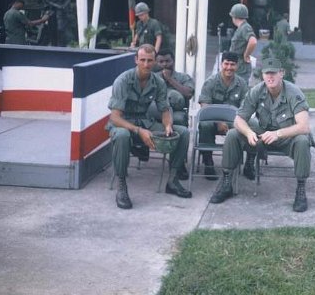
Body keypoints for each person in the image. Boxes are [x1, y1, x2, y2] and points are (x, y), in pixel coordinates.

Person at [210, 58, 312, 212]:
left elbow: (304, 126)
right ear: (262, 76)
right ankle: (226, 183)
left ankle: (301, 190)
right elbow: (239, 120)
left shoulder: (293, 93)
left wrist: (278, 134)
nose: (270, 77)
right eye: (266, 74)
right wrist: (249, 132)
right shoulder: (257, 91)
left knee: (303, 141)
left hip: (287, 137)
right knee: (233, 134)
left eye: (274, 73)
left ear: (282, 74)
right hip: (263, 135)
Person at [107, 44, 192, 210]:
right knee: (123, 135)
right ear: (136, 60)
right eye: (143, 60)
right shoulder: (123, 81)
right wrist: (139, 131)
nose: (146, 64)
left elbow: (165, 109)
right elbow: (114, 117)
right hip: (123, 123)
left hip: (146, 122)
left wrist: (168, 125)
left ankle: (173, 180)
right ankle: (122, 186)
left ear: (155, 62)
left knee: (181, 132)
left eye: (150, 61)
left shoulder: (158, 82)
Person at [197, 51, 249, 180]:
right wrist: (218, 121)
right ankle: (208, 161)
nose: (229, 68)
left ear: (237, 66)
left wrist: (238, 121)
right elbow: (205, 105)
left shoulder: (242, 84)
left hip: (234, 121)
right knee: (205, 125)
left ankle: (238, 163)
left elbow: (245, 106)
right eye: (226, 64)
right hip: (213, 120)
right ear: (221, 64)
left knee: (247, 127)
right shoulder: (211, 82)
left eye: (232, 64)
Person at [155, 49, 194, 127]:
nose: (165, 64)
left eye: (168, 61)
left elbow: (189, 93)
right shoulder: (152, 78)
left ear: (173, 61)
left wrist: (170, 79)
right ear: (156, 63)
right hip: (157, 110)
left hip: (177, 111)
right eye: (161, 62)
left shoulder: (183, 77)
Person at [228, 3, 257, 83]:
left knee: (240, 89)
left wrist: (246, 55)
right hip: (237, 64)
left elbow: (253, 41)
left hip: (241, 65)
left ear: (234, 17)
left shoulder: (245, 27)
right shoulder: (242, 27)